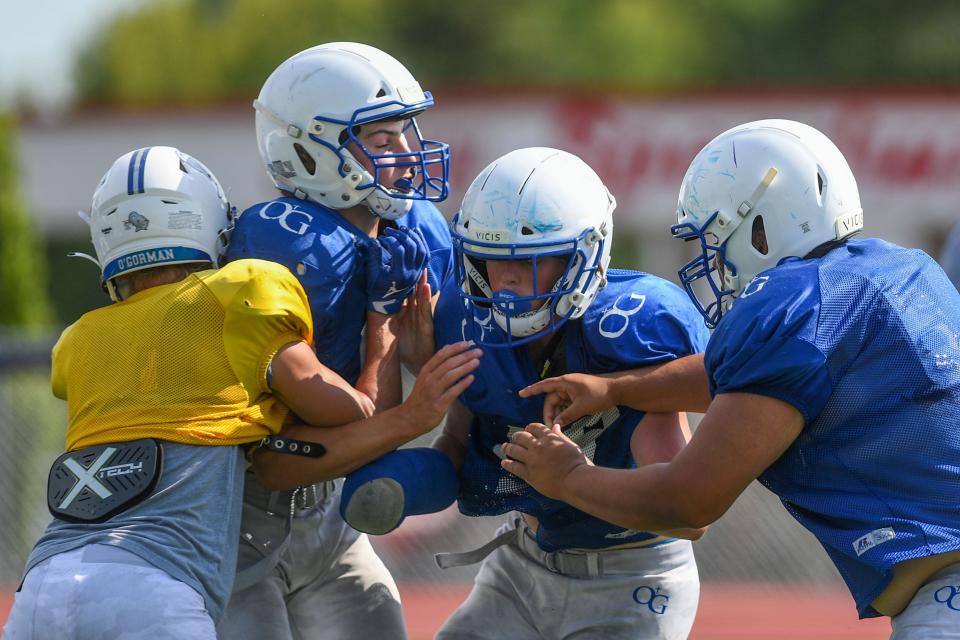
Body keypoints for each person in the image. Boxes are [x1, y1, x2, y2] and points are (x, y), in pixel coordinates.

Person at [2, 146, 479, 640]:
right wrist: (382, 317)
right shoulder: (238, 296)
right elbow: (359, 412)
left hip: (44, 578)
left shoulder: (77, 341)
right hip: (159, 582)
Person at [511, 120, 960, 638]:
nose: (712, 263)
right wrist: (616, 388)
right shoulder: (895, 269)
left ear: (760, 225)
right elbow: (749, 382)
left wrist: (569, 476)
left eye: (713, 239)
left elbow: (689, 501)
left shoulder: (795, 305)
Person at [343, 147, 710, 640]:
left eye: (533, 261)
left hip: (631, 576)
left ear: (584, 256)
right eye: (492, 262)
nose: (508, 281)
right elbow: (461, 439)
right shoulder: (465, 316)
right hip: (521, 564)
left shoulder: (632, 327)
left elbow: (684, 515)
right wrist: (410, 471)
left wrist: (572, 478)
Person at [215, 42, 455, 640]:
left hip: (328, 518)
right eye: (380, 139)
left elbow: (378, 416)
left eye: (405, 132)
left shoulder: (413, 231)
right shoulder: (287, 252)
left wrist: (414, 347)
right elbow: (273, 460)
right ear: (304, 148)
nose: (406, 155)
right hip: (238, 518)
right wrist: (384, 334)